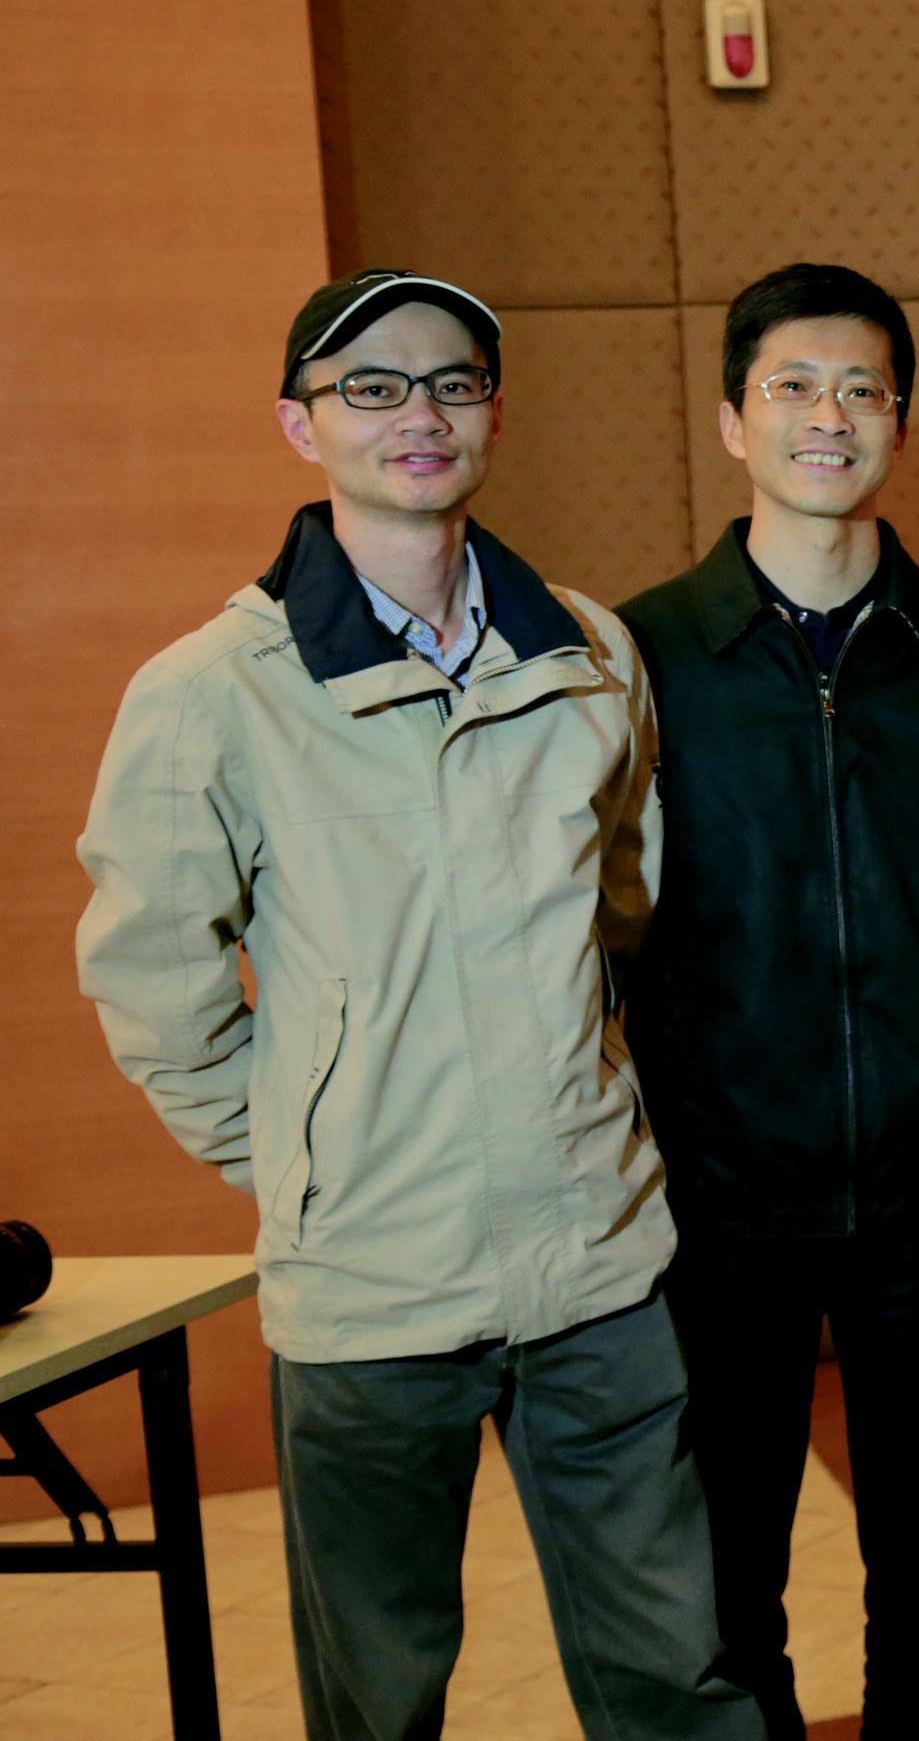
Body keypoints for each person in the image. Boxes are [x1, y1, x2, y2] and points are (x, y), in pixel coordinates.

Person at [74, 269, 760, 1741]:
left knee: (681, 1678)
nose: (418, 414)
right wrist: (306, 1159)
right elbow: (156, 985)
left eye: (451, 382)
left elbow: (622, 909)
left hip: (597, 1259)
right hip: (370, 1286)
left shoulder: (589, 653)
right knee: (377, 1701)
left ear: (493, 412)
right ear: (300, 424)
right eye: (370, 387)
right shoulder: (212, 692)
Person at [618, 262, 919, 1738]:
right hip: (716, 1193)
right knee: (723, 1574)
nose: (830, 416)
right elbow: (605, 939)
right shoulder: (643, 653)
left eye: (862, 389)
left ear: (899, 421)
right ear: (733, 421)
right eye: (794, 388)